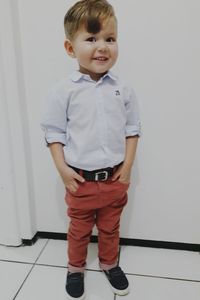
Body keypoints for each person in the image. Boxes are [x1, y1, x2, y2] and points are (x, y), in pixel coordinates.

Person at [41, 0, 141, 299]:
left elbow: (132, 130)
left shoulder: (123, 88)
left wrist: (127, 167)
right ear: (70, 48)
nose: (103, 47)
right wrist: (62, 169)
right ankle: (75, 268)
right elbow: (54, 132)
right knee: (79, 229)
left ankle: (110, 263)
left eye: (110, 39)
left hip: (113, 179)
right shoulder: (63, 91)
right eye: (92, 38)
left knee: (110, 228)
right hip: (80, 180)